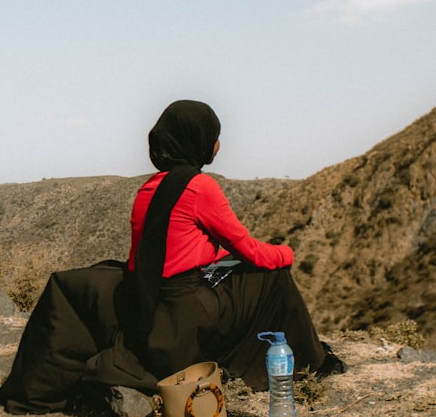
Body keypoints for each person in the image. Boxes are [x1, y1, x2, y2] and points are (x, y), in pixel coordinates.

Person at [129, 99, 344, 389]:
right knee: (274, 274)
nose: (217, 145)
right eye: (213, 136)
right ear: (197, 139)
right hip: (189, 312)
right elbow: (252, 252)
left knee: (235, 263)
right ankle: (311, 362)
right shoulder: (199, 186)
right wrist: (287, 252)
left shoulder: (150, 187)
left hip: (155, 311)